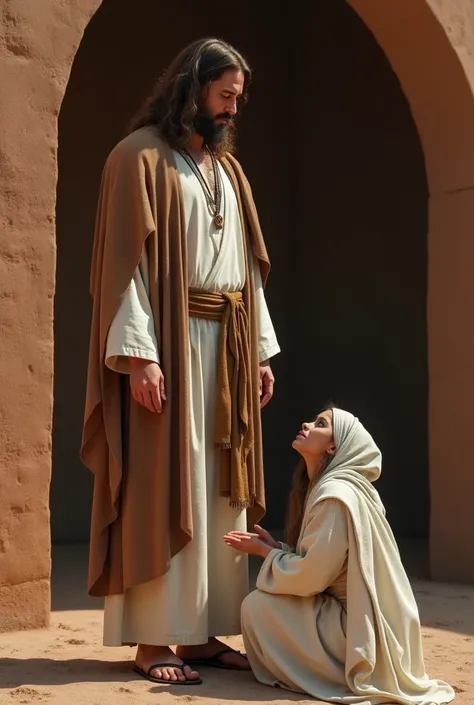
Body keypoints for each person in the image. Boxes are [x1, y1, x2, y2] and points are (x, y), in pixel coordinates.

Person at [80, 37, 280, 686]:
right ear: (191, 88)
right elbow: (122, 268)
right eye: (223, 97)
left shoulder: (230, 172)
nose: (230, 111)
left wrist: (259, 351)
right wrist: (138, 355)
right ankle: (154, 637)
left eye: (237, 102)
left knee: (219, 491)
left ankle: (202, 632)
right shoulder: (137, 158)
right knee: (163, 487)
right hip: (166, 345)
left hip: (226, 349)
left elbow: (248, 271)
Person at [224, 407, 455, 705]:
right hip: (367, 627)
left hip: (357, 636)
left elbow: (312, 578)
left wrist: (264, 552)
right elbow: (325, 562)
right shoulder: (344, 488)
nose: (306, 424)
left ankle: (320, 673)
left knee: (257, 605)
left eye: (320, 424)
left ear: (333, 447)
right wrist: (280, 550)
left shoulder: (334, 494)